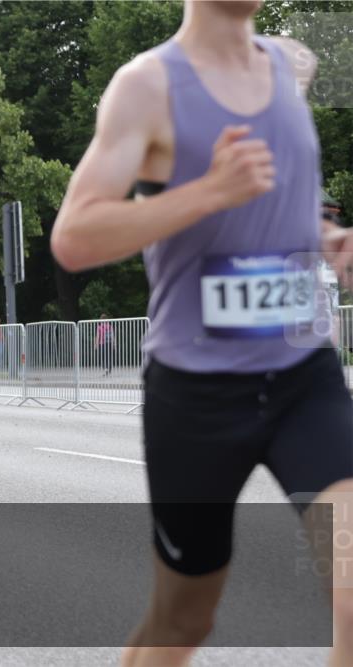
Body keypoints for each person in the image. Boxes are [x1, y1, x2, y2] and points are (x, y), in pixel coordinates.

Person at [50, 2, 353, 665]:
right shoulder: (148, 85)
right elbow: (74, 236)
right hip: (197, 395)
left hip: (305, 377)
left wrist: (325, 236)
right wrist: (209, 190)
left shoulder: (290, 66)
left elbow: (275, 201)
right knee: (184, 620)